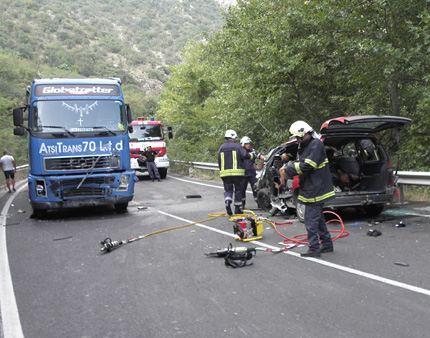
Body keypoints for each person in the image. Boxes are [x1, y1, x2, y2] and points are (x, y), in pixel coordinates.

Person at [285, 121, 336, 257]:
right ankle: (327, 244)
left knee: (310, 220)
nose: (296, 140)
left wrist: (288, 168)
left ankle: (314, 248)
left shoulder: (315, 145)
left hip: (316, 188)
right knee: (318, 219)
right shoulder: (306, 145)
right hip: (311, 187)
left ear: (302, 133)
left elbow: (308, 165)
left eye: (297, 137)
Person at [218, 130, 257, 216]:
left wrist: (221, 171)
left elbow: (219, 161)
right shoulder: (237, 146)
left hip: (225, 173)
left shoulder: (221, 148)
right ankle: (237, 208)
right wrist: (253, 155)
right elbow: (245, 156)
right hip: (237, 173)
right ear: (233, 137)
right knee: (238, 189)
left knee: (228, 189)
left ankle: (227, 201)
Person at [239, 136, 265, 209]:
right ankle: (242, 204)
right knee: (242, 190)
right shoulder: (240, 153)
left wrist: (264, 159)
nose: (248, 145)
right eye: (246, 144)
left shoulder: (253, 152)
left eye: (249, 143)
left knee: (256, 189)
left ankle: (260, 204)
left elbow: (261, 157)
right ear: (243, 144)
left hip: (252, 174)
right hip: (243, 175)